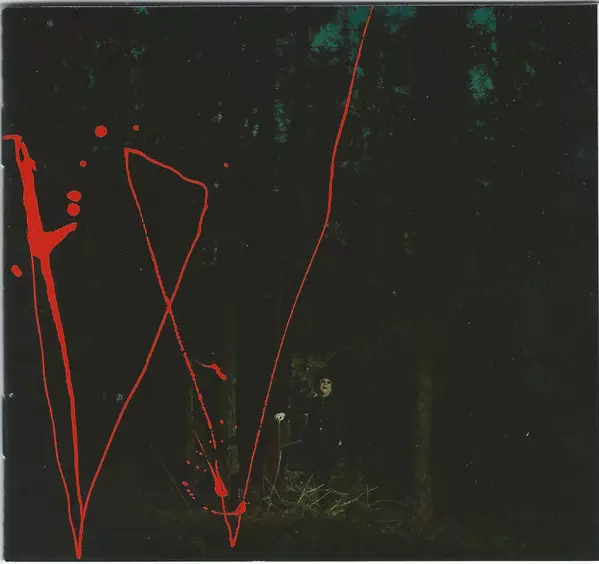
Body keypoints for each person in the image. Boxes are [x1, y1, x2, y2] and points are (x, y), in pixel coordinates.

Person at [274, 376, 341, 486]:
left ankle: (321, 494)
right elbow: (299, 409)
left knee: (323, 477)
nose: (325, 384)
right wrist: (284, 415)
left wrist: (338, 440)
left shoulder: (336, 405)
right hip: (309, 444)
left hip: (328, 446)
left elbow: (340, 424)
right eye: (322, 381)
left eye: (328, 382)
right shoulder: (313, 401)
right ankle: (279, 485)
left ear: (332, 387)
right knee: (284, 452)